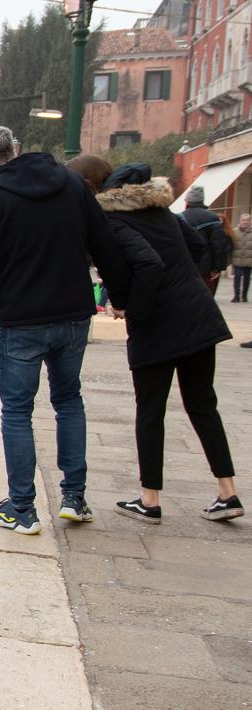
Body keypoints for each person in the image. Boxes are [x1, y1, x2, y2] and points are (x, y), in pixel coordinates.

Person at [0, 126, 129, 535]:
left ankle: (22, 509)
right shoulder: (72, 184)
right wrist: (122, 295)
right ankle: (74, 498)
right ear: (16, 150)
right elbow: (105, 243)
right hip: (74, 314)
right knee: (68, 401)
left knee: (17, 411)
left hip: (22, 319)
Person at [86, 161, 242, 522]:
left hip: (158, 324)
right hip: (199, 316)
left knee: (150, 411)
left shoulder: (115, 221)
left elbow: (149, 264)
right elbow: (199, 248)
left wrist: (131, 309)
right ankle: (227, 492)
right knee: (203, 406)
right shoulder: (166, 215)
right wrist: (186, 283)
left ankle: (150, 500)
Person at [179, 186, 231, 297]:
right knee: (206, 298)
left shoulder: (181, 217)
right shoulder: (212, 218)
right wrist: (217, 267)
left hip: (187, 267)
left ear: (188, 200)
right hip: (207, 268)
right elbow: (219, 245)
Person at [231, 213, 252, 303]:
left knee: (247, 278)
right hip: (237, 258)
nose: (245, 222)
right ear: (240, 221)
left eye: (247, 220)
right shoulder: (234, 231)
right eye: (243, 220)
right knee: (237, 277)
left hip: (249, 259)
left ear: (250, 221)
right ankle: (236, 296)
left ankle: (244, 296)